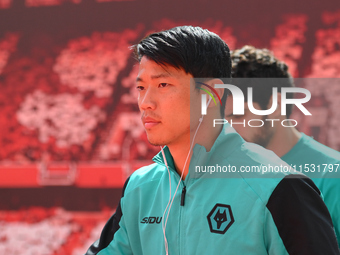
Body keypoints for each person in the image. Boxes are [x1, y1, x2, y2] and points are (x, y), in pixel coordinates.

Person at [85, 27, 339, 255]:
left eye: (163, 84)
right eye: (141, 88)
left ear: (213, 94)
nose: (145, 103)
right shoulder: (140, 188)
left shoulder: (279, 187)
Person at [228, 45, 340, 247]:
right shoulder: (224, 172)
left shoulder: (332, 177)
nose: (226, 130)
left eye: (237, 115)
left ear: (276, 105)